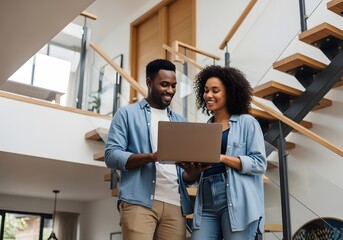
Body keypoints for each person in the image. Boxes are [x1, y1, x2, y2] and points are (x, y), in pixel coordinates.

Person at [104, 59, 193, 240]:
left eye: (174, 86)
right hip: (139, 201)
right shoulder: (127, 114)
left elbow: (183, 175)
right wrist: (151, 157)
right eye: (165, 84)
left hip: (176, 204)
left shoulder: (182, 122)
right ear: (149, 82)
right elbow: (111, 156)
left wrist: (194, 171)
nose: (170, 90)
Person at [182, 65, 267, 240]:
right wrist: (193, 172)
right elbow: (200, 171)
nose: (209, 95)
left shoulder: (247, 123)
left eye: (215, 90)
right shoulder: (204, 129)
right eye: (205, 91)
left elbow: (259, 163)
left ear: (229, 93)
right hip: (205, 198)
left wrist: (223, 158)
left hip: (236, 199)